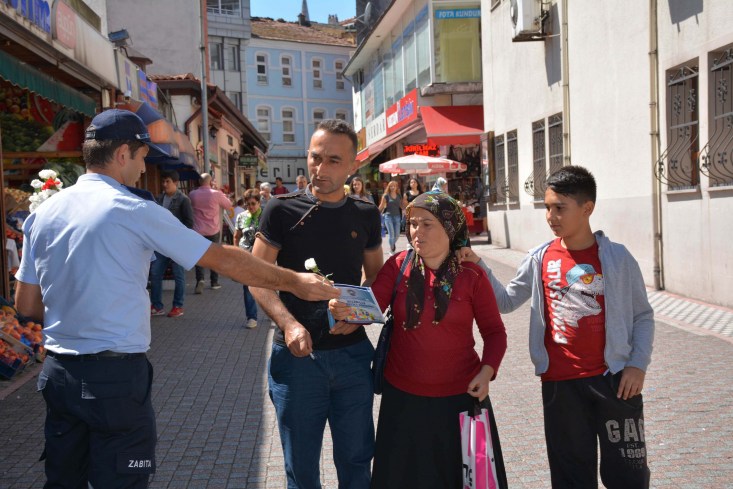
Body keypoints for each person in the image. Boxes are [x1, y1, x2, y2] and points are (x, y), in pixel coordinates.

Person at [13, 109, 340, 489]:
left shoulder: (43, 213)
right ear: (122, 153)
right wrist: (294, 281)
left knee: (63, 480)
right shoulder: (132, 209)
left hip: (59, 375)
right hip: (113, 377)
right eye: (141, 157)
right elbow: (221, 259)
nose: (143, 168)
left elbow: (26, 306)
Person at [468, 166, 654, 488]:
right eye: (547, 207)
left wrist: (637, 365)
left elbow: (643, 316)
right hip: (561, 385)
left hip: (615, 382)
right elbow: (507, 301)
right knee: (571, 477)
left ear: (587, 208)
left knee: (629, 475)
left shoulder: (618, 258)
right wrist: (478, 263)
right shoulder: (540, 258)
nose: (551, 217)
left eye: (559, 208)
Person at [329, 191, 508, 488]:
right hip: (403, 400)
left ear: (449, 227)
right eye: (412, 223)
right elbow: (371, 307)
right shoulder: (398, 265)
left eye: (427, 224)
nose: (416, 231)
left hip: (461, 399)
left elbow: (495, 332)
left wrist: (487, 372)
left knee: (463, 480)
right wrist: (344, 307)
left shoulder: (472, 275)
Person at [250, 119, 383, 489]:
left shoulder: (365, 213)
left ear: (353, 165)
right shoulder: (280, 210)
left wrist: (359, 315)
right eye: (315, 157)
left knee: (357, 463)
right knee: (302, 470)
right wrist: (288, 323)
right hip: (297, 361)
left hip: (352, 358)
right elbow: (256, 276)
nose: (320, 169)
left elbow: (377, 276)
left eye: (333, 161)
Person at [150, 170, 193, 318]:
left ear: (176, 183)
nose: (164, 184)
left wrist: (178, 235)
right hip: (161, 244)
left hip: (177, 244)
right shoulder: (159, 198)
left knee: (178, 275)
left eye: (167, 181)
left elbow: (189, 223)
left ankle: (178, 306)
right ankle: (157, 306)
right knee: (155, 273)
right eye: (163, 181)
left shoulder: (183, 200)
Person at [189, 173, 233, 294]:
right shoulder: (216, 194)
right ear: (210, 182)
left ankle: (200, 280)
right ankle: (214, 282)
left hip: (198, 230)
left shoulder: (192, 194)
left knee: (198, 256)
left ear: (199, 181)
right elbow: (228, 205)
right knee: (214, 255)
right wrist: (219, 191)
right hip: (213, 230)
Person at [233, 189, 262, 329]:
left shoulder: (265, 216)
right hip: (245, 255)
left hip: (262, 256)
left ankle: (274, 312)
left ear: (259, 203)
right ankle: (251, 317)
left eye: (253, 203)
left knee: (268, 286)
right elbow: (236, 236)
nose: (250, 206)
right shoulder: (241, 216)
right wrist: (236, 253)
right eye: (248, 204)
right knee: (248, 287)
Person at [378, 180, 403, 254]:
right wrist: (375, 214)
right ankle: (392, 249)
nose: (393, 187)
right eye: (391, 186)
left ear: (396, 187)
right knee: (391, 235)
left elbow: (401, 206)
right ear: (389, 187)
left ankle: (392, 244)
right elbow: (381, 206)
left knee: (397, 235)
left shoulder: (399, 196)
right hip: (388, 217)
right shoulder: (386, 196)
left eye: (394, 186)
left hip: (397, 217)